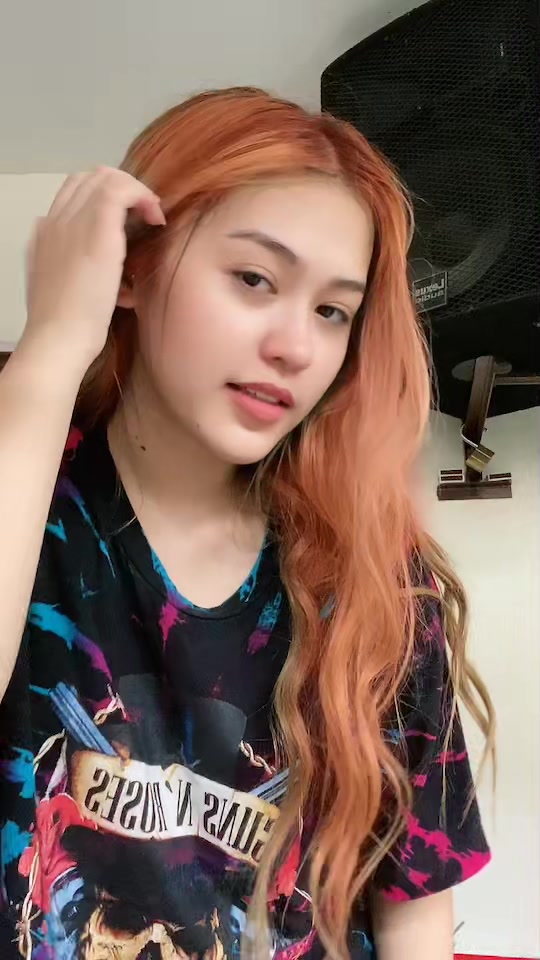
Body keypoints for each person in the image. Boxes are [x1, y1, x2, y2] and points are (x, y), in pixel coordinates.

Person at [0, 87, 494, 960]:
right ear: (130, 271)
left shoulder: (372, 574)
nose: (295, 347)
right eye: (255, 279)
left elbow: (413, 904)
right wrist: (49, 350)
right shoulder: (28, 490)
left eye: (332, 311)